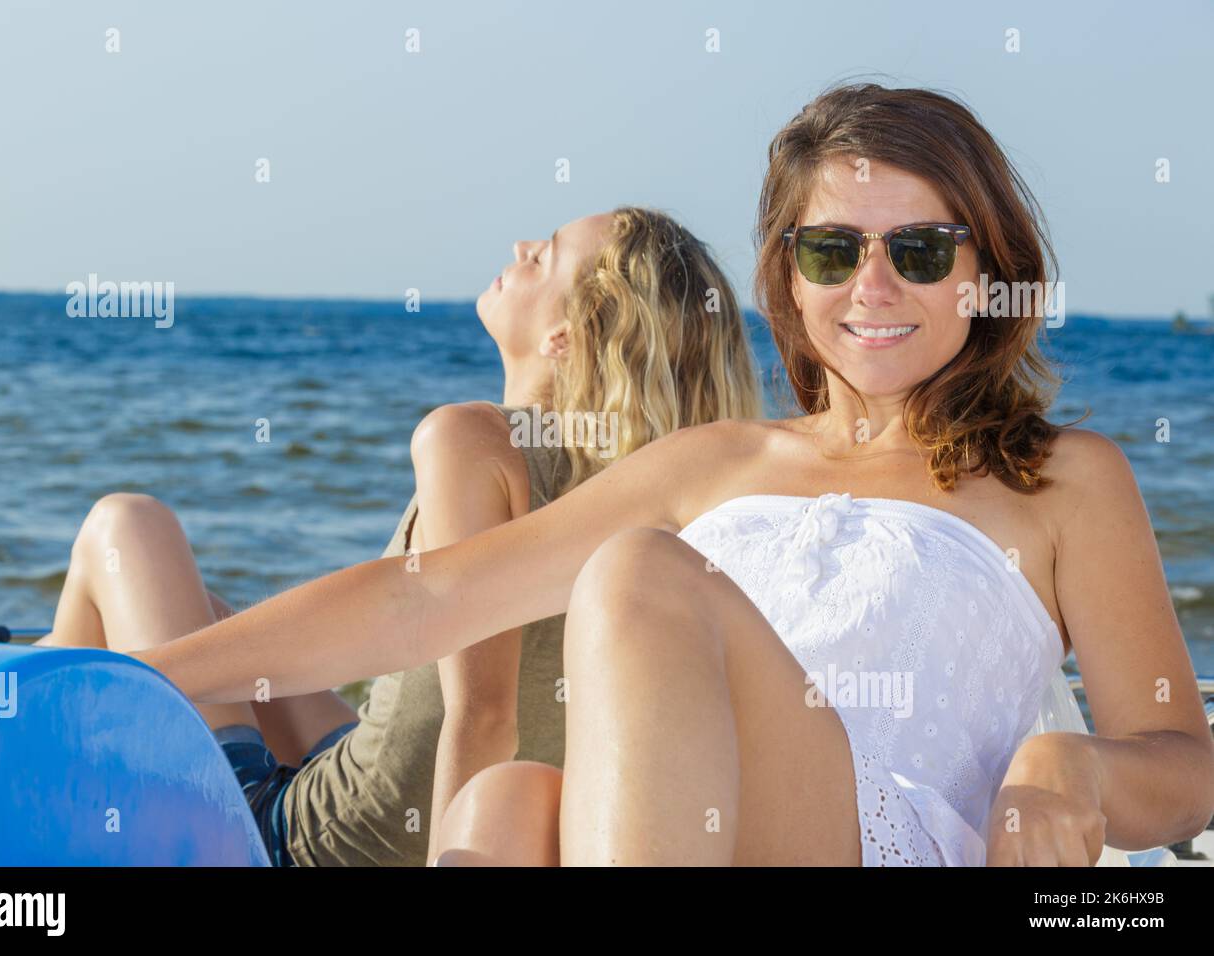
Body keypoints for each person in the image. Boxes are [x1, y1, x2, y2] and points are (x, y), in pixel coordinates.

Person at [132, 83, 1214, 866]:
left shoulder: (1059, 479)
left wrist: (1071, 768)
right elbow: (432, 597)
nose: (873, 284)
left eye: (921, 251)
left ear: (987, 272)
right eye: (833, 251)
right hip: (678, 832)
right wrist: (150, 677)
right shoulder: (716, 462)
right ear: (787, 279)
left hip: (885, 842)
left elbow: (1182, 761)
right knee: (507, 802)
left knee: (636, 570)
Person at [36, 206, 763, 866]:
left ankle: (28, 761)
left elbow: (483, 716)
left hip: (304, 841)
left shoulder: (475, 443)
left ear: (564, 336)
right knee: (213, 616)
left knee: (126, 527)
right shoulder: (657, 498)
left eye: (542, 257)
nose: (518, 245)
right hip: (394, 789)